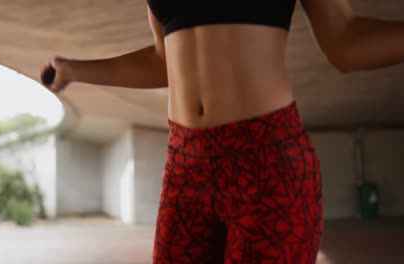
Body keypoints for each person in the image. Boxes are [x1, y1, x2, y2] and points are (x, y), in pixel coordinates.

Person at [41, 0, 404, 263]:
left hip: (268, 164)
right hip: (185, 168)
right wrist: (76, 70)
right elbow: (164, 59)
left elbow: (344, 39)